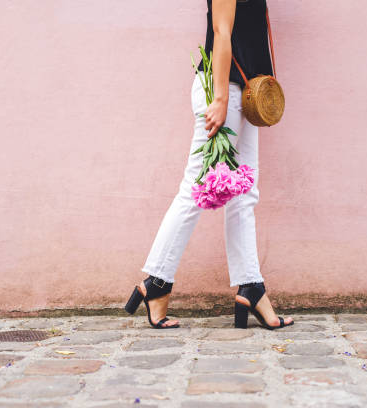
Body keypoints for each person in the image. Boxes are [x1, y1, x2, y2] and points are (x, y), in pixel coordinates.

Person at [124, 0, 293, 330]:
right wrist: (219, 99)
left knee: (245, 192)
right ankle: (156, 281)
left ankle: (251, 286)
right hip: (224, 92)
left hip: (244, 93)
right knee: (196, 189)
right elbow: (221, 30)